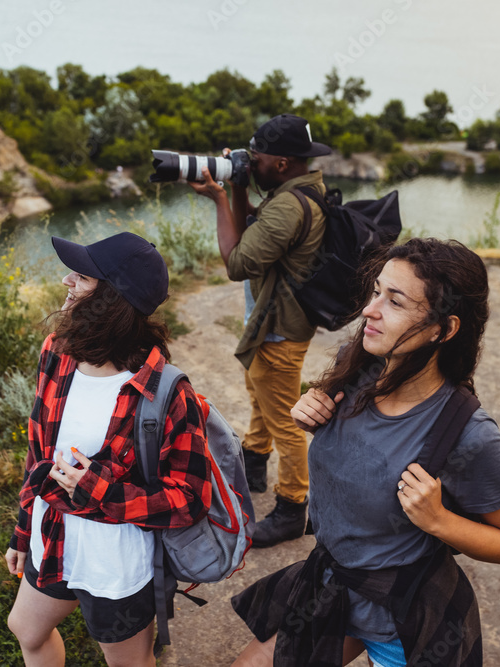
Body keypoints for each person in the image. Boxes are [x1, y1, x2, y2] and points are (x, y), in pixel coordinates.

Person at [230, 238, 500, 667]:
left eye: (394, 301)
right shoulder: (355, 370)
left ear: (443, 329)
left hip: (403, 621)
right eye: (376, 292)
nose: (369, 311)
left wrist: (439, 520)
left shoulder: (469, 433)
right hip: (331, 586)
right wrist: (312, 414)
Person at [4, 232, 212, 667]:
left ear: (113, 298)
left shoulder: (167, 392)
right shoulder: (57, 353)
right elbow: (37, 449)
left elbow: (190, 500)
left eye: (81, 276)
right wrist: (24, 529)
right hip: (53, 539)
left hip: (116, 567)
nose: (66, 281)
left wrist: (99, 489)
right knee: (27, 630)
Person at [190, 113, 333, 548]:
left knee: (286, 419)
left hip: (278, 329)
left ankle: (293, 507)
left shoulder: (290, 204)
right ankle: (254, 463)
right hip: (277, 324)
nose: (252, 164)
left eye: (258, 159)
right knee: (261, 393)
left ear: (284, 163)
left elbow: (237, 262)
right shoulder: (299, 191)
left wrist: (217, 200)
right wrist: (235, 188)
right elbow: (254, 230)